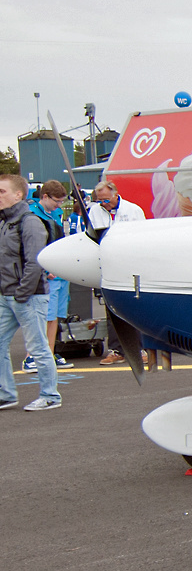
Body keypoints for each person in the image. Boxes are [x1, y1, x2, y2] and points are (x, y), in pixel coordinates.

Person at [0, 174, 61, 411]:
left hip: (28, 296)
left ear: (18, 194)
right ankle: (6, 394)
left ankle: (50, 395)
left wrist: (21, 293)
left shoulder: (30, 222)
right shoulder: (6, 222)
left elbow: (35, 262)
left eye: (2, 191)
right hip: (9, 295)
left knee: (38, 347)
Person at [90, 179, 145, 365]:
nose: (103, 204)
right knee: (111, 308)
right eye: (100, 201)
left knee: (133, 308)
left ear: (115, 194)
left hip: (129, 265)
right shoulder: (94, 212)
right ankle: (116, 349)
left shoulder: (133, 210)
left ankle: (140, 348)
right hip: (107, 265)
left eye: (106, 200)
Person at [23, 180, 74, 373]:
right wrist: (44, 269)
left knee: (54, 317)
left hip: (59, 273)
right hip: (45, 274)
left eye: (62, 202)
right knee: (43, 316)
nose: (59, 205)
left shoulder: (57, 214)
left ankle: (49, 353)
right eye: (57, 201)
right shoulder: (31, 216)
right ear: (44, 196)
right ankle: (32, 357)